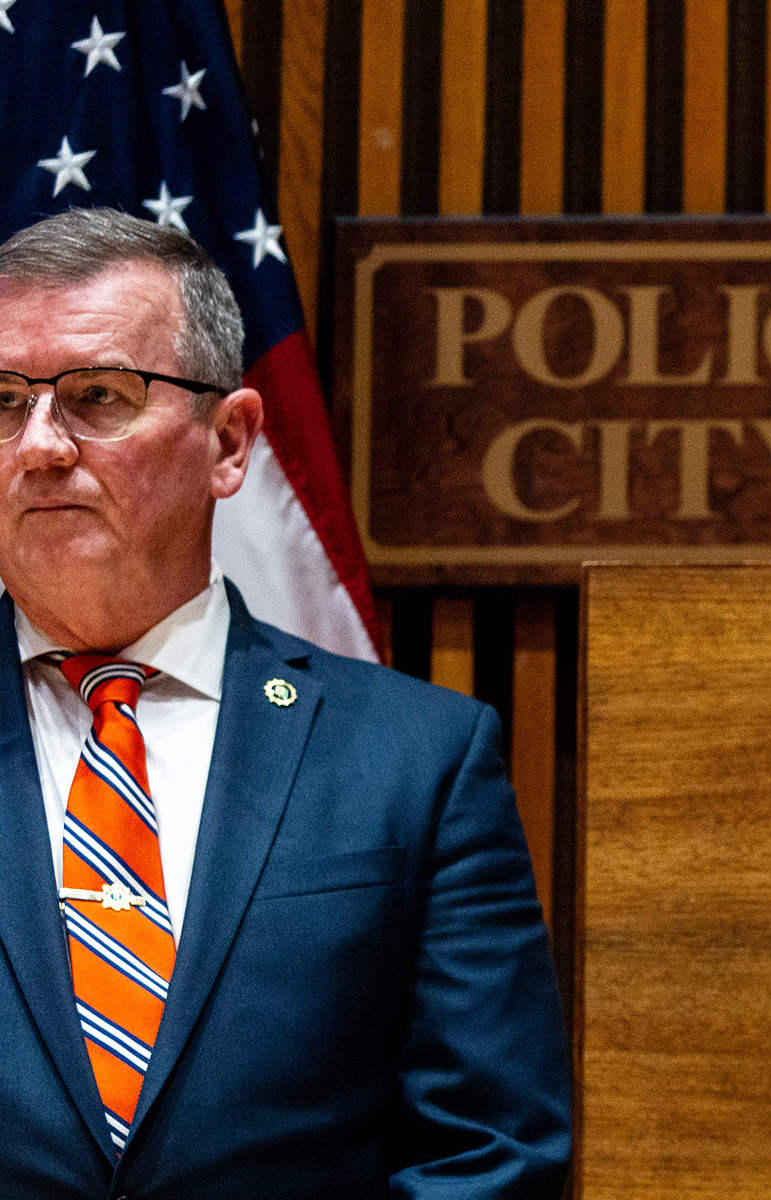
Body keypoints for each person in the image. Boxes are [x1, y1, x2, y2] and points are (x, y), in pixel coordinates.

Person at [0, 209, 569, 1196]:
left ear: (230, 442)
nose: (40, 446)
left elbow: (493, 1152)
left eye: (96, 396)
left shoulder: (417, 760)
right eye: (3, 403)